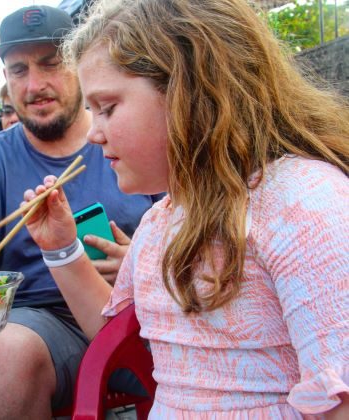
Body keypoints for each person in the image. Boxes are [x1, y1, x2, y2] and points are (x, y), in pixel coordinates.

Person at [22, 0, 349, 418]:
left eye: (106, 108)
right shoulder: (161, 220)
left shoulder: (304, 203)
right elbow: (115, 337)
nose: (94, 135)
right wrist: (60, 248)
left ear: (189, 91)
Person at [0, 5, 163, 418]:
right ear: (5, 79)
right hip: (40, 325)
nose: (35, 84)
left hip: (147, 319)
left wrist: (145, 263)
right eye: (19, 70)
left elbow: (194, 232)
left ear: (79, 65)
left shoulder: (134, 135)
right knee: (0, 351)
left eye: (51, 63)